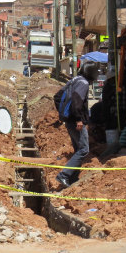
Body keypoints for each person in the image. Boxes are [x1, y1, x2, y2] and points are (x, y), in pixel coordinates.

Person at [55, 61, 100, 189]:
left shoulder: (74, 80)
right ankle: (64, 175)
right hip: (76, 122)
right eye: (96, 72)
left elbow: (57, 97)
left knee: (78, 150)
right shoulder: (83, 83)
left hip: (69, 120)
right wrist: (78, 119)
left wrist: (64, 114)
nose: (97, 74)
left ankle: (72, 177)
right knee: (84, 149)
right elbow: (77, 102)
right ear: (91, 72)